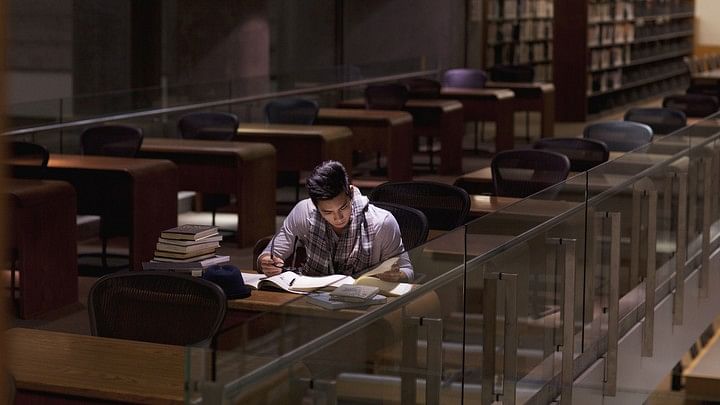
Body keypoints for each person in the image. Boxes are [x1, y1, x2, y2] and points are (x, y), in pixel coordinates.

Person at [258, 160, 413, 281]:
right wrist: (267, 263)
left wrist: (398, 275)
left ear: (351, 192)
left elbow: (407, 270)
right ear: (315, 205)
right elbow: (269, 254)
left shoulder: (382, 222)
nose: (338, 218)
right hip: (313, 296)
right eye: (327, 212)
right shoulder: (304, 212)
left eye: (343, 207)